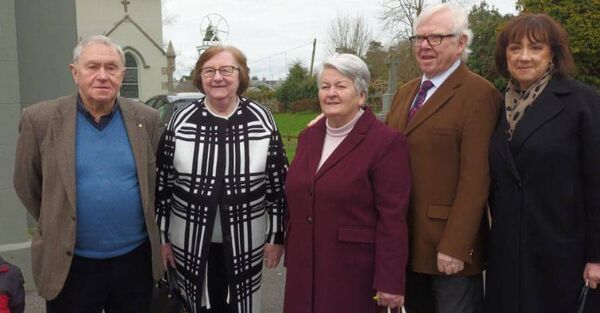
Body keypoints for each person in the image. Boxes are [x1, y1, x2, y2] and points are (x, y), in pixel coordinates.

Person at [13, 35, 164, 312]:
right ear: (75, 72)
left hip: (134, 262)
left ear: (123, 74)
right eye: (93, 67)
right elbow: (27, 184)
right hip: (69, 264)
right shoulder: (41, 120)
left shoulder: (147, 119)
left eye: (111, 67)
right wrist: (57, 218)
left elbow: (153, 184)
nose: (102, 76)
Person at [385, 4, 501, 313]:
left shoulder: (479, 94)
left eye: (435, 38)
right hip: (405, 244)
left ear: (461, 43)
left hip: (449, 253)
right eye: (419, 38)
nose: (423, 46)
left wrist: (455, 245)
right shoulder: (406, 92)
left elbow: (476, 179)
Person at [155, 45, 288, 313]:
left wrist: (276, 237)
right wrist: (163, 239)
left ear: (241, 76)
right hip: (189, 241)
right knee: (196, 305)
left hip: (245, 239)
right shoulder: (181, 120)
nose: (218, 77)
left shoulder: (262, 120)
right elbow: (163, 185)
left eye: (226, 70)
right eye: (209, 71)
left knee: (241, 305)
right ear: (200, 77)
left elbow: (277, 185)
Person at [485, 13, 600, 313]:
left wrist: (597, 256)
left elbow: (597, 183)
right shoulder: (497, 106)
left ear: (553, 54)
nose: (524, 57)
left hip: (561, 253)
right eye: (515, 48)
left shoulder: (582, 104)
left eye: (535, 47)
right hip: (507, 255)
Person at [282, 54, 411, 313]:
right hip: (303, 268)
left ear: (361, 95)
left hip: (353, 274)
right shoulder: (309, 137)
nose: (331, 93)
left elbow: (393, 217)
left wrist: (390, 280)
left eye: (341, 86)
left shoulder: (385, 142)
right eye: (324, 86)